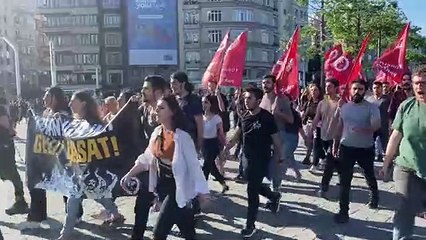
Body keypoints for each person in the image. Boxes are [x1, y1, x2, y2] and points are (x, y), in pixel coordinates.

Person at [121, 95, 210, 240]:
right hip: (162, 187)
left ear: (172, 112)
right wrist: (129, 174)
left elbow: (194, 167)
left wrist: (203, 192)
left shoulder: (183, 138)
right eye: (157, 108)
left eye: (161, 108)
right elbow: (146, 158)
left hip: (177, 189)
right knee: (187, 230)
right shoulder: (156, 133)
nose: (157, 110)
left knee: (159, 233)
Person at [58, 91, 124, 240]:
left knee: (99, 197)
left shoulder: (95, 126)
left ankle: (114, 213)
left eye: (73, 101)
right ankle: (66, 233)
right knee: (75, 200)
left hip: (92, 171)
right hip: (77, 171)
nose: (70, 104)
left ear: (83, 103)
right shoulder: (73, 123)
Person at [225, 88, 284, 238]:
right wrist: (227, 148)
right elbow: (238, 134)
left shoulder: (267, 118)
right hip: (246, 158)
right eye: (245, 98)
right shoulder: (244, 116)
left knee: (251, 191)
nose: (246, 100)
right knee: (252, 183)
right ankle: (273, 196)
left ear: (258, 101)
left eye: (249, 98)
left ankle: (250, 225)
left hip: (261, 159)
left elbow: (277, 140)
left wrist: (281, 157)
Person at [25, 87, 84, 227]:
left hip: (65, 155)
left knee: (68, 185)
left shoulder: (64, 114)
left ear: (55, 98)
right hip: (48, 156)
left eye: (47, 96)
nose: (44, 99)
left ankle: (75, 213)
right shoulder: (47, 112)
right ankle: (39, 213)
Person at [380, 68, 426, 240]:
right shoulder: (406, 106)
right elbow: (395, 137)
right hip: (406, 166)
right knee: (404, 207)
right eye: (417, 83)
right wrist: (386, 164)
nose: (420, 87)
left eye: (424, 83)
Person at [333, 80, 381, 224]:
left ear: (365, 91)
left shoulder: (372, 108)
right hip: (346, 147)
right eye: (354, 88)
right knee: (344, 181)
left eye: (360, 89)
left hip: (365, 148)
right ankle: (343, 211)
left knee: (369, 175)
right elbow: (340, 126)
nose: (356, 92)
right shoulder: (345, 107)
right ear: (350, 90)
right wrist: (335, 144)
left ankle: (374, 196)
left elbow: (376, 125)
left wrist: (365, 129)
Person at [131, 75, 167, 240]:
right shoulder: (142, 110)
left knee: (174, 212)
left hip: (168, 172)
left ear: (157, 92)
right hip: (149, 167)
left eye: (146, 88)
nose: (142, 91)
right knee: (141, 206)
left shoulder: (169, 111)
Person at [259, 75, 294, 192]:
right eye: (263, 82)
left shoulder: (282, 99)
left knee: (276, 166)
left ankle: (276, 192)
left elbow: (291, 119)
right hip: (264, 137)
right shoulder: (261, 99)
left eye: (268, 82)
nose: (265, 85)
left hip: (279, 136)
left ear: (274, 84)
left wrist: (279, 113)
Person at [308, 78, 341, 197]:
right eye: (326, 86)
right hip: (324, 136)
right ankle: (342, 176)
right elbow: (317, 118)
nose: (327, 88)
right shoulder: (322, 102)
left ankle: (324, 187)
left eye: (330, 86)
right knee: (335, 161)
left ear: (336, 88)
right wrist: (310, 132)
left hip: (336, 137)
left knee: (329, 162)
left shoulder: (341, 103)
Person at [0, 97, 29, 216]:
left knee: (11, 172)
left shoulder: (1, 109)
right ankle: (20, 201)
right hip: (4, 144)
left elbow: (6, 124)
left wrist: (10, 131)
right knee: (11, 172)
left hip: (3, 145)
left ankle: (20, 202)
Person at [201, 95, 229, 193]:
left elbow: (221, 134)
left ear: (211, 104)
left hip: (213, 145)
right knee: (212, 167)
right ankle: (223, 184)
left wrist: (226, 146)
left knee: (205, 167)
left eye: (206, 102)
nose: (203, 105)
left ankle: (201, 190)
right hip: (203, 144)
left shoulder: (217, 118)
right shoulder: (201, 117)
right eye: (203, 102)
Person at [170, 71, 203, 150]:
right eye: (171, 83)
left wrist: (200, 142)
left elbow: (200, 123)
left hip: (189, 141)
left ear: (183, 84)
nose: (172, 86)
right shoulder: (172, 100)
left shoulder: (193, 100)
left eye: (175, 83)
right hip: (174, 141)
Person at [366, 81, 391, 162]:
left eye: (378, 88)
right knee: (371, 142)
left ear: (381, 88)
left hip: (384, 125)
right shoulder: (369, 99)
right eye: (374, 88)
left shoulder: (387, 99)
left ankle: (386, 158)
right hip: (372, 125)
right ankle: (373, 156)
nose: (376, 90)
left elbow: (391, 110)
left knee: (384, 143)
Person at [300, 83, 324, 167]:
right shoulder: (308, 102)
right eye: (312, 90)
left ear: (319, 91)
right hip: (309, 125)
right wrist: (303, 119)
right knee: (308, 143)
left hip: (319, 126)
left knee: (315, 143)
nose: (314, 92)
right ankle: (320, 157)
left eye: (315, 90)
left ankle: (314, 161)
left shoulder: (322, 102)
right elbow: (305, 112)